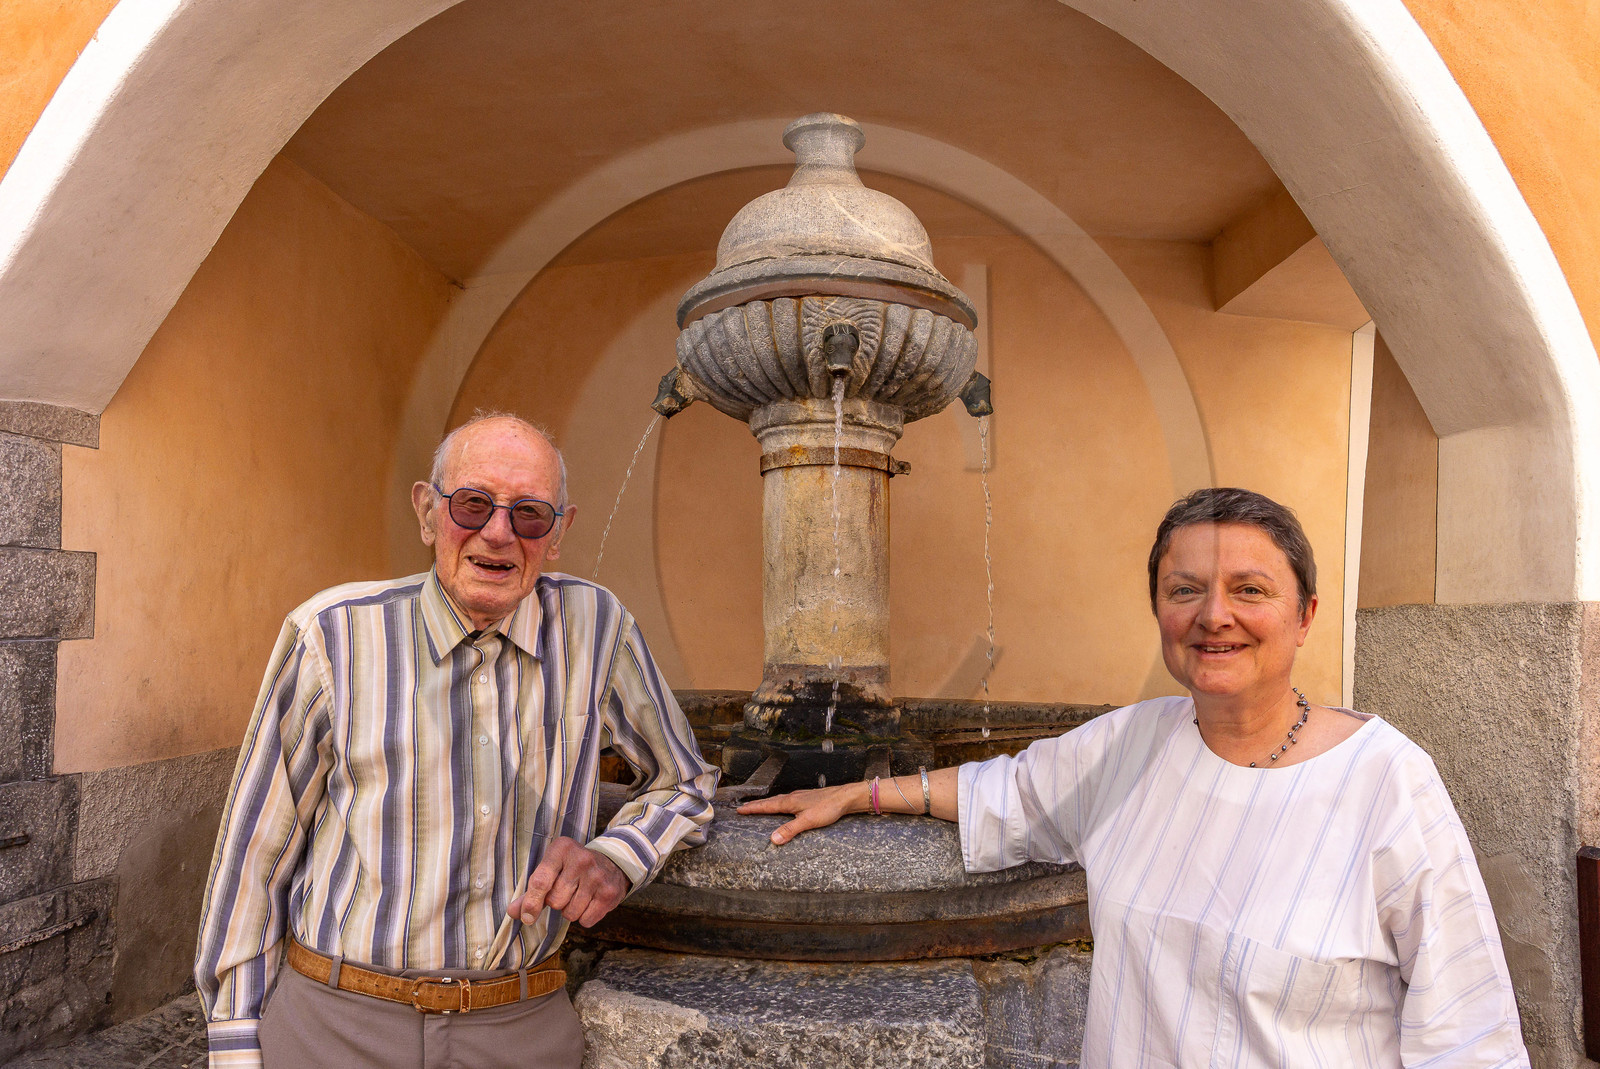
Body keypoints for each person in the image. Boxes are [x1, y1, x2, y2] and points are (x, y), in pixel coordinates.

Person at [742, 486, 1530, 1067]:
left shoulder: (1387, 782)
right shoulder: (1134, 742)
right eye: (1184, 589)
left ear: (1306, 614)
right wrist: (861, 791)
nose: (1212, 615)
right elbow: (1008, 791)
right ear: (1159, 610)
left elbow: (1467, 1028)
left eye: (1249, 590)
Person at [195, 413, 718, 1069]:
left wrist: (618, 855)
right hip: (334, 1026)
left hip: (517, 1028)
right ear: (426, 511)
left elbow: (686, 780)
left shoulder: (596, 628)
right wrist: (236, 1047)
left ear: (558, 533)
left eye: (530, 513)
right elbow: (254, 857)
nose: (498, 532)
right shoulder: (330, 635)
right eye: (472, 504)